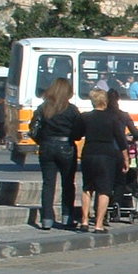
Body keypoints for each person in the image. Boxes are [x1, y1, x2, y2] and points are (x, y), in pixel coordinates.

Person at [30, 78, 82, 230]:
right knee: (68, 183)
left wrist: (42, 140)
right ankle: (67, 217)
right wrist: (72, 137)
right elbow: (78, 131)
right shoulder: (71, 109)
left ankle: (46, 218)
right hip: (66, 146)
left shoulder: (44, 108)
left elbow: (33, 128)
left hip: (46, 145)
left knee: (48, 183)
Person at [75, 88, 127, 233]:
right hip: (106, 155)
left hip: (89, 153)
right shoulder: (112, 118)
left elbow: (77, 134)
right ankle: (98, 224)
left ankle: (84, 221)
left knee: (87, 188)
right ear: (105, 101)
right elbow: (121, 140)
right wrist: (126, 159)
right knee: (104, 190)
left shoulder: (85, 117)